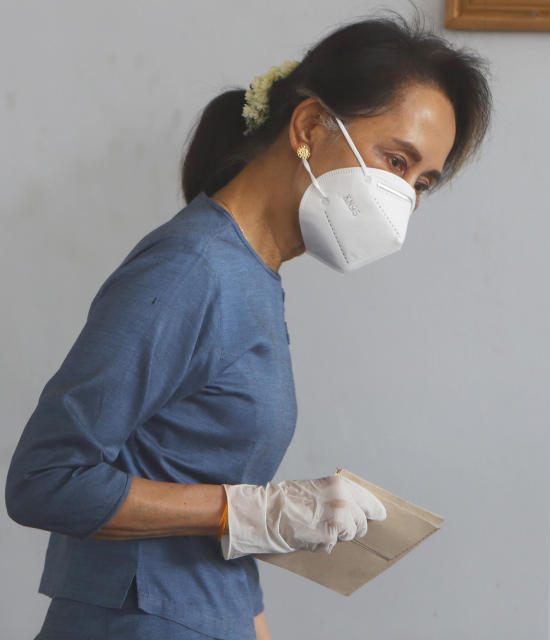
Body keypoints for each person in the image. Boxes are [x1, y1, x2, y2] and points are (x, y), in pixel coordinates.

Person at [5, 13, 491, 640]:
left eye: (423, 182)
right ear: (311, 126)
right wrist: (253, 509)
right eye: (396, 161)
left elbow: (215, 513)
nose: (407, 199)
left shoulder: (251, 276)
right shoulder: (191, 270)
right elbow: (46, 481)